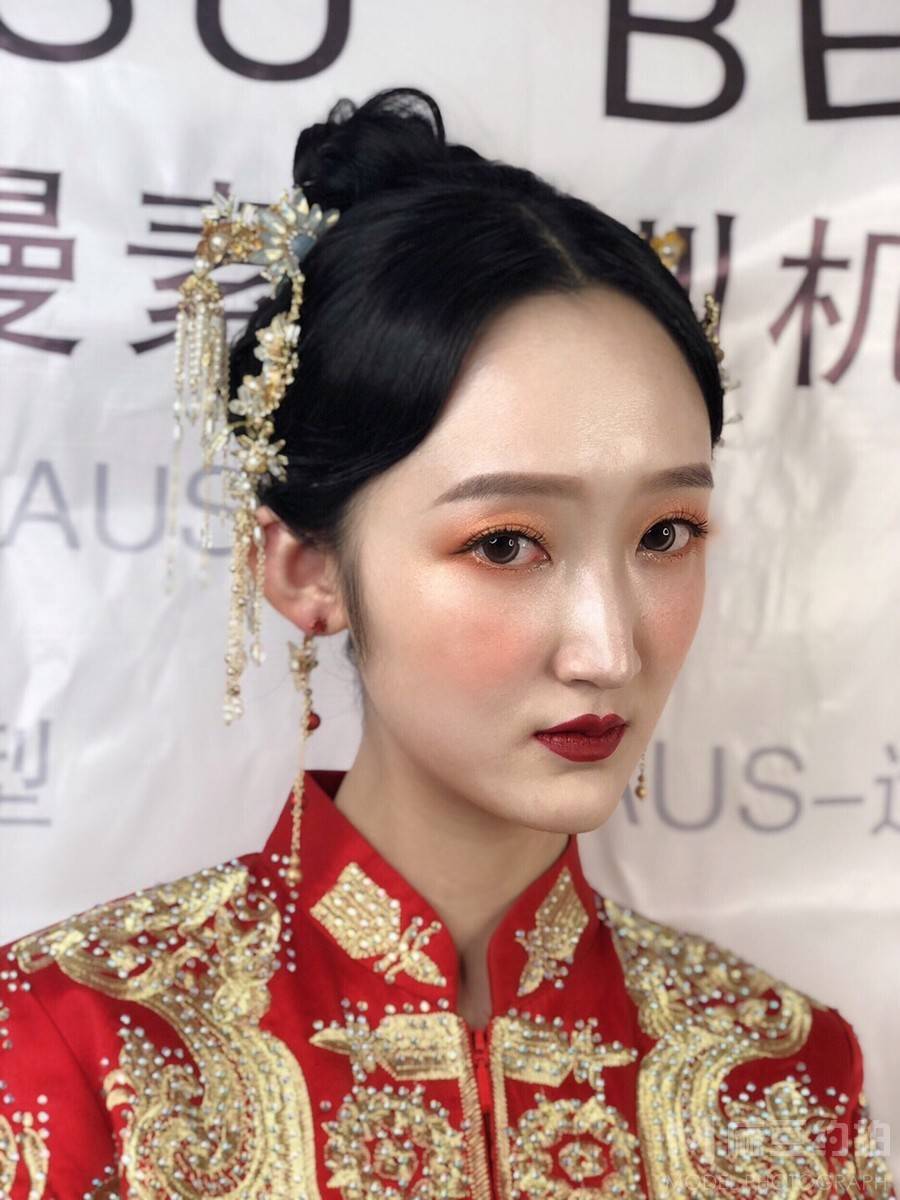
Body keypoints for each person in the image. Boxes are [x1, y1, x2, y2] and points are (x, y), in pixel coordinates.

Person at [0, 86, 893, 1200]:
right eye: (506, 544)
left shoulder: (779, 1072)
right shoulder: (82, 1048)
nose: (610, 649)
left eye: (665, 533)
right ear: (307, 571)